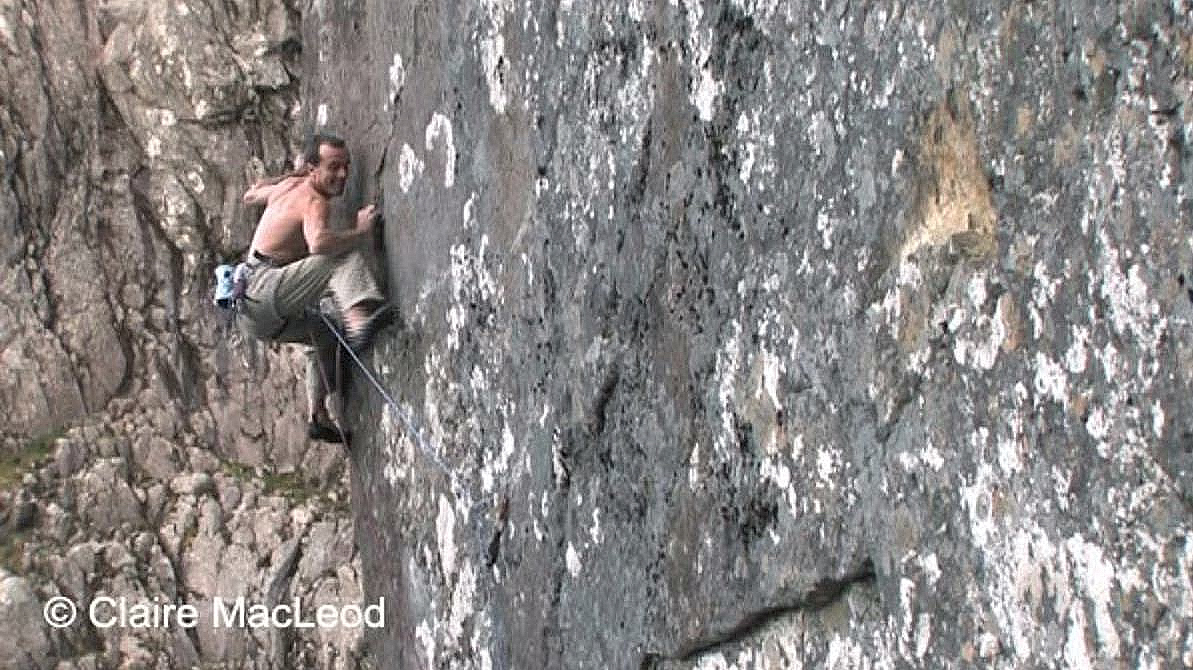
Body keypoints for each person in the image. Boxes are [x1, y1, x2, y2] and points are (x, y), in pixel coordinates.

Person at [237, 133, 392, 443]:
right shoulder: (314, 200)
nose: (343, 174)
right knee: (336, 256)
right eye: (333, 167)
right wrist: (360, 232)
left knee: (322, 332)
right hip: (264, 286)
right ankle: (360, 317)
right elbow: (318, 243)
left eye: (346, 166)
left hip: (250, 310)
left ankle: (317, 415)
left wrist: (293, 173)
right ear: (312, 169)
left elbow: (250, 194)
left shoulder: (286, 188)